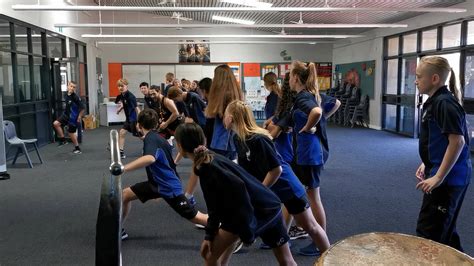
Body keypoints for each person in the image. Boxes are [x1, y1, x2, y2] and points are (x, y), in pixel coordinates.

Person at [174, 123, 296, 266]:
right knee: (286, 261)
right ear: (204, 140)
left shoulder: (207, 168)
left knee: (209, 256)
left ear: (180, 146)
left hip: (255, 212)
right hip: (269, 205)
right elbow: (219, 204)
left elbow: (228, 198)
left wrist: (247, 230)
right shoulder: (210, 158)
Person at [224, 100, 330, 254]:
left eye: (225, 115)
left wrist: (259, 191)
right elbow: (246, 170)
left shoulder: (259, 139)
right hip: (273, 189)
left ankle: (328, 257)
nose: (223, 118)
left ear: (232, 118)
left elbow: (276, 170)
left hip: (289, 187)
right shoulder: (238, 139)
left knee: (311, 227)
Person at [121, 109, 208, 240]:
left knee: (195, 217)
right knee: (125, 195)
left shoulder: (151, 139)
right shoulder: (157, 138)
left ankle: (230, 229)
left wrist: (123, 168)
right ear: (156, 125)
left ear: (138, 125)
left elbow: (150, 158)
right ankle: (119, 229)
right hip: (156, 184)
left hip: (168, 187)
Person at [414, 56, 471, 252]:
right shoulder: (435, 101)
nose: (416, 81)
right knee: (445, 233)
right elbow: (440, 139)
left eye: (419, 77)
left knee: (429, 235)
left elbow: (458, 141)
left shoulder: (444, 104)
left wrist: (438, 176)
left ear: (435, 79)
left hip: (448, 179)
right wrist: (426, 162)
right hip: (441, 173)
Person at [288, 61, 329, 256]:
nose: (288, 79)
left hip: (311, 154)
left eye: (289, 76)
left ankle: (319, 241)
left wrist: (308, 127)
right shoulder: (308, 94)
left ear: (296, 78)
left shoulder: (303, 96)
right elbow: (333, 104)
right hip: (306, 152)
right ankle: (304, 229)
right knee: (301, 192)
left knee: (313, 196)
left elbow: (317, 111)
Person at [205, 64, 243, 160]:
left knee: (220, 167)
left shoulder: (225, 95)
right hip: (230, 138)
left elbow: (219, 115)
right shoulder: (235, 92)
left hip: (222, 139)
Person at [53, 81, 85, 154]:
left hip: (73, 118)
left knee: (71, 133)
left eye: (74, 87)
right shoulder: (66, 94)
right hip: (66, 115)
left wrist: (79, 116)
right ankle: (63, 140)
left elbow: (82, 108)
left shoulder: (75, 97)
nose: (72, 88)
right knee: (56, 124)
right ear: (68, 86)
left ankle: (77, 148)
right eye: (71, 86)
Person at [115, 78, 141, 159]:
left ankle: (152, 146)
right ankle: (121, 152)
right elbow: (125, 104)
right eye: (119, 86)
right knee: (122, 132)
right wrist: (120, 108)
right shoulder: (122, 95)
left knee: (141, 136)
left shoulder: (131, 96)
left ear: (126, 86)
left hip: (133, 120)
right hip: (128, 119)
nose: (120, 88)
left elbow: (138, 110)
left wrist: (139, 122)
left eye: (122, 86)